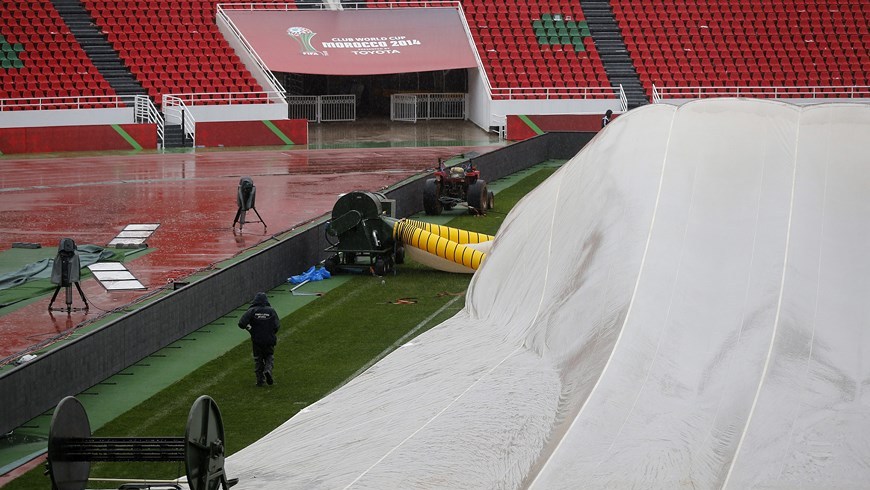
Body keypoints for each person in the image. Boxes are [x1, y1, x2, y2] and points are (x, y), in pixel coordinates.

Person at [238, 292, 280, 386]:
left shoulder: (252, 310)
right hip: (269, 338)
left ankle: (260, 381)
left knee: (258, 359)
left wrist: (251, 329)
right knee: (269, 356)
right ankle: (268, 370)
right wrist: (270, 333)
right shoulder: (271, 311)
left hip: (257, 339)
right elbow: (277, 326)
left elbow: (241, 323)